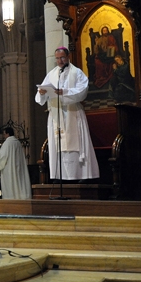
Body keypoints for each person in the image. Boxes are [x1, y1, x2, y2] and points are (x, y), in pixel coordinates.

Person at [35, 47, 100, 181]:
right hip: (56, 114)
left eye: (62, 57)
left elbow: (82, 91)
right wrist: (41, 93)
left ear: (68, 57)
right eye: (57, 58)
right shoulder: (52, 74)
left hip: (73, 113)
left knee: (74, 144)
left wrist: (64, 92)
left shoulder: (76, 72)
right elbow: (41, 95)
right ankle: (60, 177)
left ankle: (79, 175)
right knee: (58, 146)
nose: (60, 61)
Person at [0, 127, 32, 199]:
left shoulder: (7, 143)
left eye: (4, 134)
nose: (3, 135)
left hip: (9, 169)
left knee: (11, 183)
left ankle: (11, 198)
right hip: (18, 167)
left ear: (8, 134)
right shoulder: (17, 142)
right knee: (19, 182)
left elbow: (3, 156)